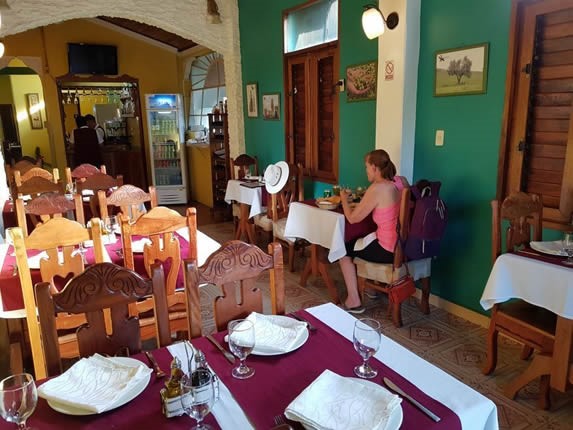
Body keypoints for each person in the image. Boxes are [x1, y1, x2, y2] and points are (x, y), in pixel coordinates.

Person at [338, 149, 408, 313]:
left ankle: (354, 300)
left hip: (387, 249)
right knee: (363, 240)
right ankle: (372, 288)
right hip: (402, 245)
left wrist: (343, 199)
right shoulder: (399, 182)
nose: (366, 171)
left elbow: (353, 219)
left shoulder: (377, 188)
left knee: (343, 250)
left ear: (375, 168)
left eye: (367, 167)